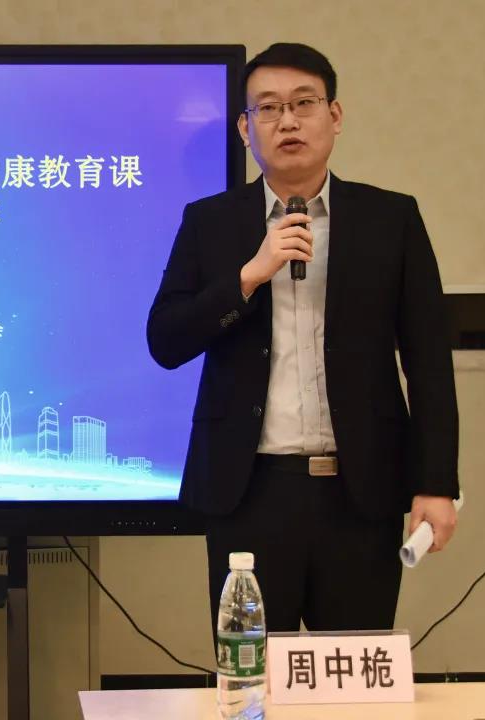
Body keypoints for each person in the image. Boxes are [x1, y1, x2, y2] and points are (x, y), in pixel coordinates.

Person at [147, 43, 459, 634]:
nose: (287, 121)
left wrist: (436, 483)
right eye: (267, 108)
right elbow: (165, 341)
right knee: (253, 672)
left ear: (334, 116)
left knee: (352, 672)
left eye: (303, 103)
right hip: (249, 492)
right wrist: (248, 276)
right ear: (246, 129)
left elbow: (429, 362)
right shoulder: (209, 222)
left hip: (361, 490)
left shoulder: (390, 219)